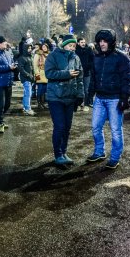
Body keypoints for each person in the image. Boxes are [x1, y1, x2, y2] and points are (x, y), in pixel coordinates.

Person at [87, 29, 130, 169]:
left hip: (115, 99)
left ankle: (115, 157)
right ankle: (99, 152)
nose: (102, 43)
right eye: (100, 41)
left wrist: (125, 98)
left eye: (105, 41)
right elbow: (93, 78)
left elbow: (127, 79)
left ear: (111, 42)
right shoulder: (97, 57)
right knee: (95, 127)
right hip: (99, 98)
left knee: (116, 130)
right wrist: (89, 94)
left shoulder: (122, 58)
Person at [44, 34, 84, 167]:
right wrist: (66, 74)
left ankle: (64, 152)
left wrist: (80, 95)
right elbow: (49, 73)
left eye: (74, 46)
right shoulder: (53, 56)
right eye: (70, 45)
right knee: (60, 127)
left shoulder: (76, 58)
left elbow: (80, 79)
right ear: (63, 45)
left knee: (67, 128)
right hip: (55, 97)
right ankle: (58, 155)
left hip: (70, 98)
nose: (72, 48)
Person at [0, 36, 17, 133]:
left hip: (8, 82)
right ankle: (0, 122)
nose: (6, 44)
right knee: (1, 104)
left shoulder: (7, 52)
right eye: (4, 43)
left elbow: (11, 63)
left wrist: (13, 65)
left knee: (7, 104)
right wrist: (8, 67)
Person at [75, 37, 95, 112]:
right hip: (78, 73)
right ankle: (79, 104)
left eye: (84, 42)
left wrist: (88, 66)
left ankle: (86, 104)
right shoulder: (76, 50)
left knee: (86, 90)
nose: (83, 43)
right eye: (81, 42)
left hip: (86, 73)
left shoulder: (88, 49)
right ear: (78, 43)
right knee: (78, 89)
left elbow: (93, 59)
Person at [18, 42, 36, 115]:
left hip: (30, 78)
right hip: (26, 78)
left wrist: (33, 75)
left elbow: (32, 68)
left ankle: (25, 108)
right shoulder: (22, 58)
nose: (30, 49)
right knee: (28, 94)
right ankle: (28, 108)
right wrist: (28, 75)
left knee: (27, 93)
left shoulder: (29, 56)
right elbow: (21, 69)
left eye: (30, 48)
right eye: (28, 48)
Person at [33, 43, 49, 109]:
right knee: (40, 89)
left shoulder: (48, 55)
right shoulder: (38, 54)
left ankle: (43, 103)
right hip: (40, 73)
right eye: (43, 47)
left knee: (44, 89)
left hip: (46, 74)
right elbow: (35, 65)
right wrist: (37, 73)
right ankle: (39, 103)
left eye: (45, 47)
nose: (44, 48)